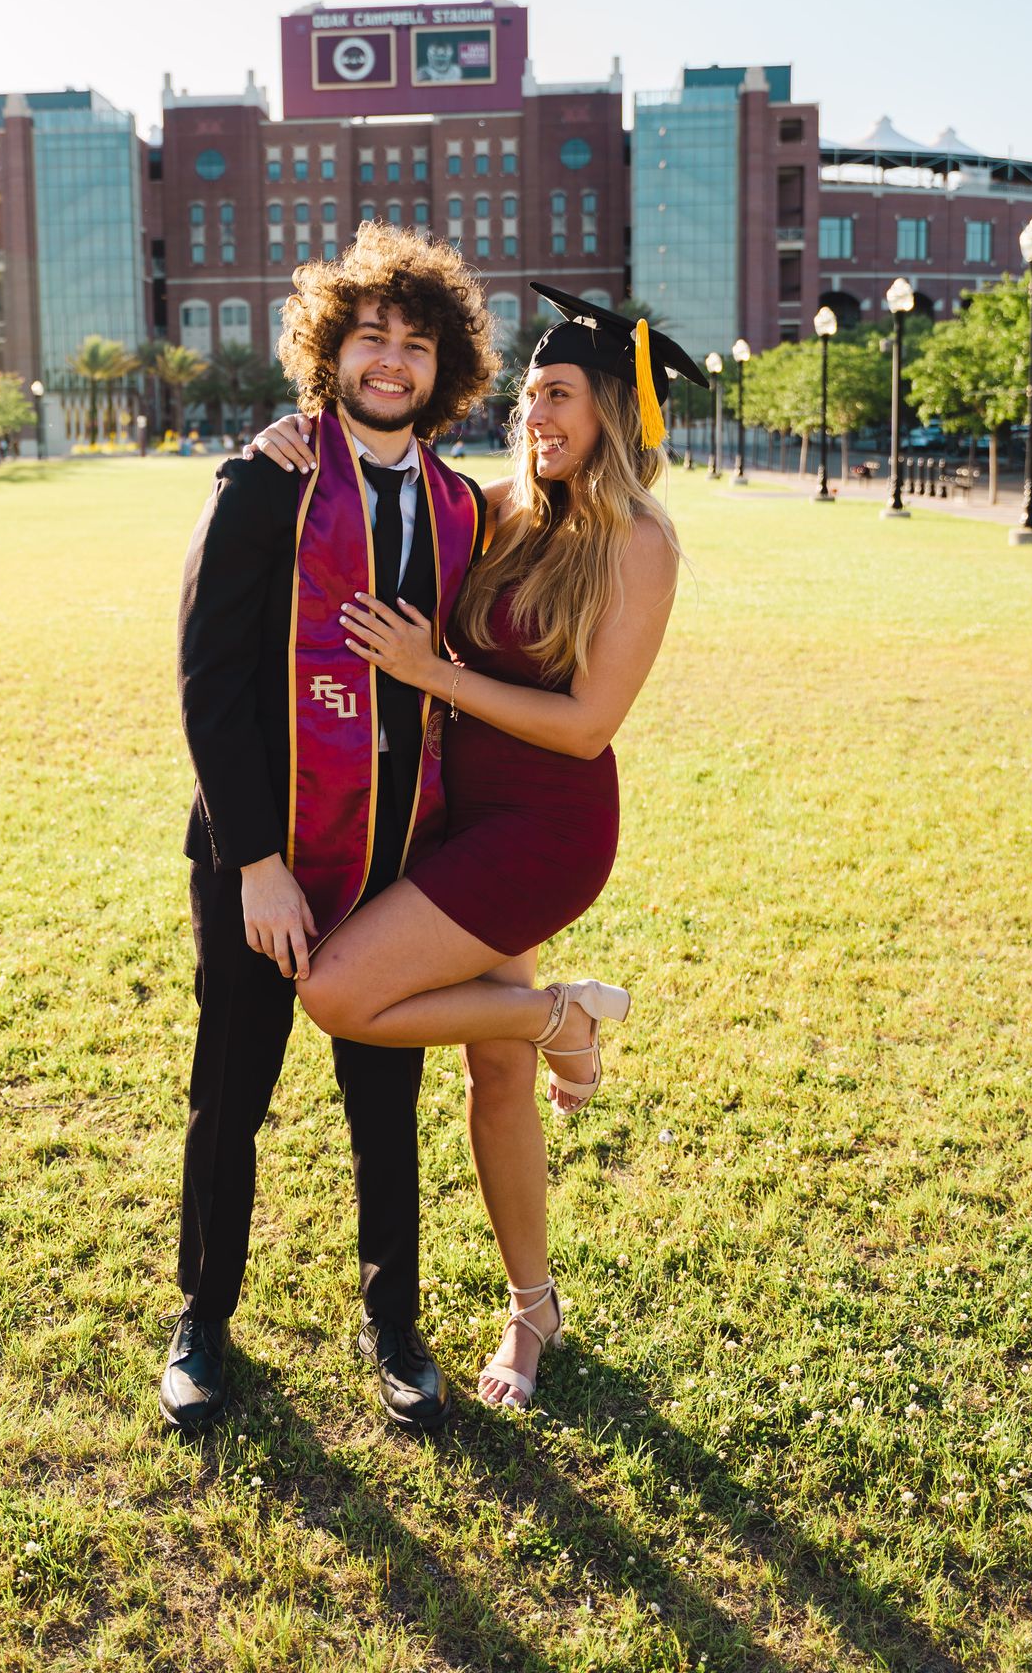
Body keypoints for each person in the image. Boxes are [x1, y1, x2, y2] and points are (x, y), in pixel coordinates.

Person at [247, 281, 705, 1407]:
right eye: (530, 394)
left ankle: (562, 1012)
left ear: (609, 409)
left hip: (544, 830)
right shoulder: (495, 508)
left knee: (342, 991)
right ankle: (532, 1310)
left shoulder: (638, 543)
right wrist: (292, 439)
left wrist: (435, 675)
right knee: (495, 1079)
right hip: (449, 814)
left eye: (560, 395)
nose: (537, 414)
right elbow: (382, 490)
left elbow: (590, 724)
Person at [165, 223, 495, 1435]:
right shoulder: (267, 480)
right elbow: (207, 678)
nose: (391, 362)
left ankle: (394, 1322)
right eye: (371, 337)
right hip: (264, 855)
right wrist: (255, 861)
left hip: (393, 856)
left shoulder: (461, 503)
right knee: (230, 1090)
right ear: (331, 348)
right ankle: (204, 1318)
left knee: (384, 1098)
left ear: (443, 364)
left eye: (415, 343)